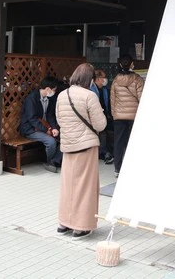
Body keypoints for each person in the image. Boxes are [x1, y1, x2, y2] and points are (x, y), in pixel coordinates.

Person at [56, 63, 107, 239]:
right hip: (86, 146)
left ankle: (64, 222)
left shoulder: (63, 94)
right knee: (85, 187)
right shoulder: (90, 96)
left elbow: (59, 119)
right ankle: (81, 226)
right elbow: (101, 124)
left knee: (68, 185)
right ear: (89, 79)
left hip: (68, 145)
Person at [18, 76, 62, 173]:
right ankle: (50, 162)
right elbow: (32, 119)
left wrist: (53, 128)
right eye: (54, 90)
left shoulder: (50, 99)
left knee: (62, 139)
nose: (54, 92)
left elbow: (50, 115)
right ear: (47, 89)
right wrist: (47, 130)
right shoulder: (32, 98)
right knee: (51, 142)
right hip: (30, 129)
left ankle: (54, 161)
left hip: (43, 127)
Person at [110, 54, 144, 177]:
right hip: (134, 116)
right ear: (132, 65)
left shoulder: (115, 80)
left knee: (119, 143)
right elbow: (141, 98)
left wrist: (114, 114)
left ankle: (117, 169)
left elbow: (112, 100)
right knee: (134, 141)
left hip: (119, 117)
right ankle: (134, 167)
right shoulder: (137, 79)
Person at [90, 69, 113, 164]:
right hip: (95, 117)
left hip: (104, 116)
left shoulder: (104, 90)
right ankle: (105, 153)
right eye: (103, 78)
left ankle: (107, 152)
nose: (105, 80)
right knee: (103, 133)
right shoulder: (91, 90)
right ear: (98, 79)